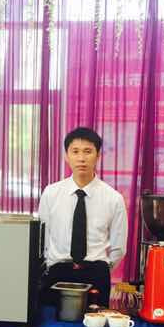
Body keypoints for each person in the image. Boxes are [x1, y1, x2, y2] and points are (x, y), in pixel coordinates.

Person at [38, 127, 127, 308]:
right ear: (66, 156)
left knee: (94, 323)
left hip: (95, 273)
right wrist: (50, 264)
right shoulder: (51, 193)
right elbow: (43, 238)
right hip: (57, 271)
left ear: (98, 155)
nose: (81, 158)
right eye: (75, 151)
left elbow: (119, 247)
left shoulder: (113, 198)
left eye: (88, 151)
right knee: (51, 322)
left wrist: (103, 269)